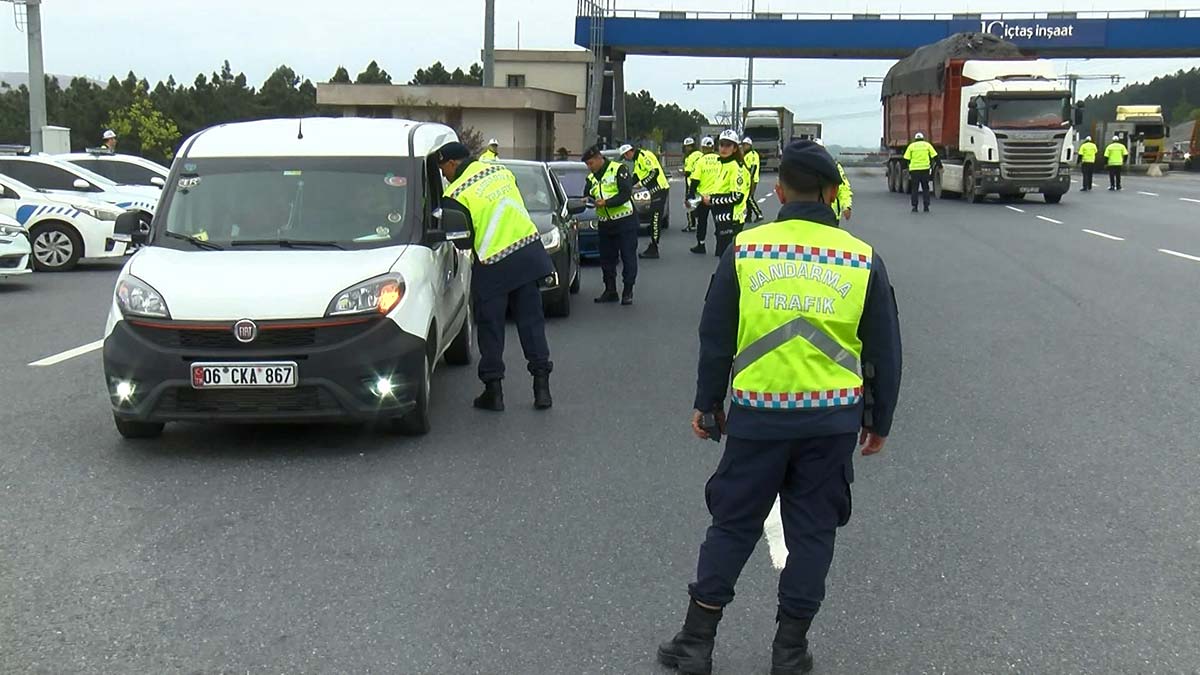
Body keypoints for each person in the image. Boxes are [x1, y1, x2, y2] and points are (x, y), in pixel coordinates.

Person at [657, 140, 902, 675]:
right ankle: (790, 651)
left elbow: (715, 334)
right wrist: (878, 419)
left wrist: (707, 404)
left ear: (779, 190)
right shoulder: (861, 259)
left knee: (733, 524)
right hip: (832, 421)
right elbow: (884, 348)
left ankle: (696, 642)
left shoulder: (746, 248)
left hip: (758, 416)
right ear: (833, 193)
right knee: (812, 530)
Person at [436, 141, 554, 411]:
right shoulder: (500, 172)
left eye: (443, 168)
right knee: (531, 324)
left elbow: (463, 241)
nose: (443, 175)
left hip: (493, 262)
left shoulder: (454, 193)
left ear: (453, 163)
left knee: (491, 328)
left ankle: (494, 391)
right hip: (528, 252)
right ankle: (542, 389)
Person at [583, 145, 639, 306]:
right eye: (587, 164)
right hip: (605, 224)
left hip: (625, 221)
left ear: (600, 158)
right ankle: (610, 290)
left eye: (591, 163)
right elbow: (587, 193)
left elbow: (625, 193)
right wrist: (586, 199)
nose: (589, 167)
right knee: (607, 259)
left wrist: (606, 203)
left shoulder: (618, 169)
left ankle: (628, 291)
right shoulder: (591, 178)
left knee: (628, 257)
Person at [693, 129, 748, 257]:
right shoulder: (721, 164)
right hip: (721, 218)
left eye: (728, 145)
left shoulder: (736, 167)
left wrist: (712, 200)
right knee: (722, 256)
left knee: (726, 259)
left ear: (735, 148)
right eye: (722, 144)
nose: (724, 148)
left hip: (732, 219)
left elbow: (737, 196)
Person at [619, 143, 670, 259]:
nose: (626, 159)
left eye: (625, 156)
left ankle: (654, 247)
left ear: (628, 153)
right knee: (653, 219)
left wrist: (641, 184)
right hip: (653, 191)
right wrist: (626, 187)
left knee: (655, 218)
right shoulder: (637, 161)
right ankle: (653, 245)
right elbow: (635, 177)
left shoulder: (644, 155)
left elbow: (654, 172)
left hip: (660, 188)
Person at [690, 136, 719, 248]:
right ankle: (719, 246)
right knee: (719, 221)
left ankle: (701, 245)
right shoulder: (719, 159)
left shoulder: (700, 161)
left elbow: (695, 179)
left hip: (703, 197)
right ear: (712, 147)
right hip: (717, 196)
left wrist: (691, 193)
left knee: (702, 222)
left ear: (702, 147)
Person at [816, 138, 853, 223]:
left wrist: (846, 206)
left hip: (831, 216)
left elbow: (843, 188)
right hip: (808, 217)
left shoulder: (834, 167)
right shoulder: (803, 169)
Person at [903, 131, 938, 213]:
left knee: (914, 189)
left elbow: (906, 159)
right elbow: (935, 156)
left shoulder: (911, 146)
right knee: (925, 188)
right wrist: (940, 166)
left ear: (915, 139)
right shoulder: (927, 145)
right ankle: (926, 207)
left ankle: (914, 207)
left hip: (914, 171)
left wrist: (906, 169)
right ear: (923, 138)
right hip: (925, 170)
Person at [741, 137, 764, 223]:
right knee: (747, 198)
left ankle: (759, 214)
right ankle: (748, 216)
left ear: (750, 145)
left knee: (749, 197)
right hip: (746, 179)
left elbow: (753, 168)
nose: (744, 147)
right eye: (743, 145)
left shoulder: (753, 154)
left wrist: (750, 179)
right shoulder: (746, 155)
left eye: (746, 145)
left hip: (752, 179)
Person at [682, 137, 702, 232]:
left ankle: (691, 224)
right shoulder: (701, 154)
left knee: (689, 203)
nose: (686, 149)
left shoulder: (689, 157)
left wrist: (683, 172)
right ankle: (700, 222)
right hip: (702, 183)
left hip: (691, 182)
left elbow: (688, 172)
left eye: (687, 147)